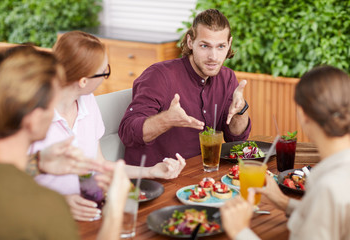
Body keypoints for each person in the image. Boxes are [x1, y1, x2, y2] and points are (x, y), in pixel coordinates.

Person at [28, 30, 186, 221]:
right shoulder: (30, 115)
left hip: (92, 213)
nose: (105, 77)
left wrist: (151, 171)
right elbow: (9, 179)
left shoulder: (87, 102)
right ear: (84, 81)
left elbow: (100, 165)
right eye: (105, 71)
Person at [0, 45, 129, 239]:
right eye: (52, 103)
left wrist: (37, 163)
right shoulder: (48, 209)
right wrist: (114, 210)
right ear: (35, 119)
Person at [220, 65, 350, 240]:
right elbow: (330, 219)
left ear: (303, 114)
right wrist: (283, 202)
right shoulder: (335, 173)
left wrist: (239, 230)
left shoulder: (328, 187)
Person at [119, 9, 251, 167]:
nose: (213, 57)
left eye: (221, 46)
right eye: (204, 46)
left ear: (229, 44)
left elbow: (236, 140)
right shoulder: (159, 75)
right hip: (154, 181)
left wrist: (241, 110)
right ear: (190, 42)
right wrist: (166, 120)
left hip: (200, 178)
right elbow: (128, 133)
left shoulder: (227, 77)